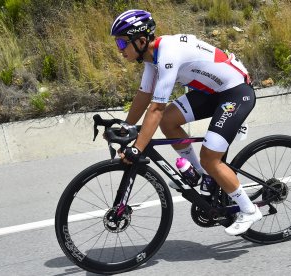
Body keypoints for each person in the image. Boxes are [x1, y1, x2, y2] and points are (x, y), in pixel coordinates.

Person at [110, 9, 262, 236]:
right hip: (214, 92)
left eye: (122, 44)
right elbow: (144, 95)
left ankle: (249, 210)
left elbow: (156, 108)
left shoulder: (167, 56)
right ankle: (201, 176)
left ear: (141, 41)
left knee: (211, 158)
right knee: (169, 122)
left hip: (235, 92)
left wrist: (136, 148)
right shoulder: (152, 59)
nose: (119, 50)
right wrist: (125, 127)